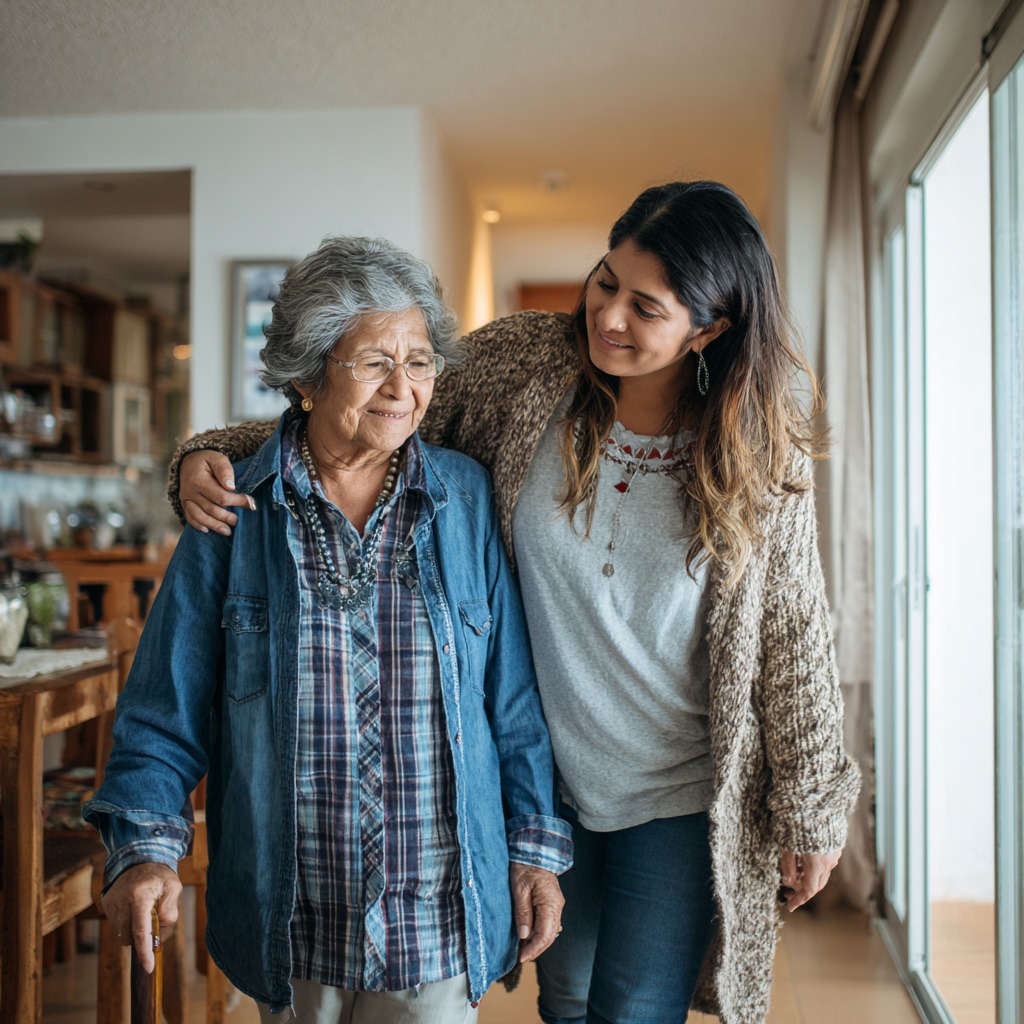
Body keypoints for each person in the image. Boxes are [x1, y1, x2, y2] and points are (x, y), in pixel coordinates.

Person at [170, 182, 861, 1024]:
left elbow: (794, 633)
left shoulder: (757, 445)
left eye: (646, 308)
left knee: (634, 1007)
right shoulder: (523, 364)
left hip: (679, 787)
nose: (609, 316)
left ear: (708, 329)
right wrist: (210, 455)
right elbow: (373, 416)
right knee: (564, 996)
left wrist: (813, 809)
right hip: (545, 774)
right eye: (606, 281)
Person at [85, 236, 573, 1024]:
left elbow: (511, 701)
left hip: (438, 920)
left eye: (420, 362)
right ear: (308, 377)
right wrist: (144, 851)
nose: (404, 388)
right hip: (291, 919)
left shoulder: (466, 500)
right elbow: (164, 711)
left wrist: (533, 854)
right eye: (375, 362)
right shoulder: (232, 514)